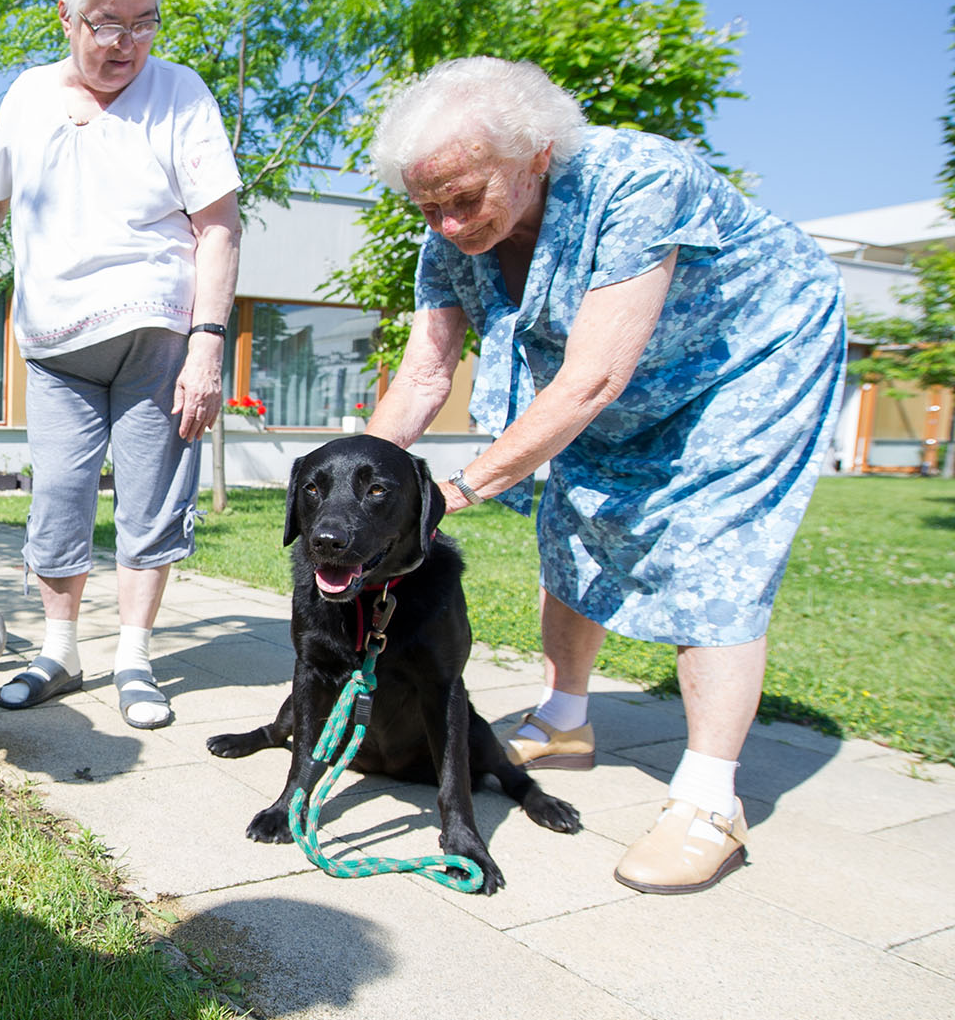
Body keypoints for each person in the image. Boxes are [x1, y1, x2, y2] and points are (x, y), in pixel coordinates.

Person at [363, 57, 847, 895]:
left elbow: (589, 380)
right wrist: (356, 486)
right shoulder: (447, 235)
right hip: (616, 378)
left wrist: (449, 493)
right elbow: (423, 377)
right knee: (575, 518)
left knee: (710, 544)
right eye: (426, 206)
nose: (443, 224)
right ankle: (564, 720)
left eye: (463, 199)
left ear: (536, 154)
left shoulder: (637, 181)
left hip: (748, 358)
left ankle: (708, 802)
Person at [0, 0, 241, 731]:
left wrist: (208, 339)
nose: (126, 43)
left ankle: (134, 655)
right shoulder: (25, 97)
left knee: (150, 499)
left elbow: (220, 225)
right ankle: (60, 649)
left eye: (144, 22)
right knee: (57, 495)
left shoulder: (183, 93)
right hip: (55, 341)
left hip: (157, 333)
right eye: (106, 23)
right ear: (66, 15)